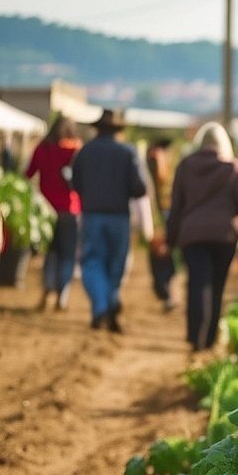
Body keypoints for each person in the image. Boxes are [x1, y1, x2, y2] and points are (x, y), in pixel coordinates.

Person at [166, 122, 238, 352]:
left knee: (197, 283)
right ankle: (209, 340)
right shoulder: (233, 168)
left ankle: (194, 337)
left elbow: (176, 206)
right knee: (217, 286)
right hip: (224, 237)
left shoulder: (185, 166)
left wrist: (170, 239)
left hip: (192, 235)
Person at [71, 107, 147, 332]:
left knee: (93, 262)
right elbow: (139, 187)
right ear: (116, 130)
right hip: (119, 217)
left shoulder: (85, 152)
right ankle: (111, 300)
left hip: (92, 215)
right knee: (116, 264)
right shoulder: (127, 152)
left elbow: (74, 184)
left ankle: (101, 306)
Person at [25, 115, 82, 310]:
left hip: (46, 211)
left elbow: (28, 174)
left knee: (50, 253)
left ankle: (47, 290)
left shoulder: (43, 148)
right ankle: (61, 297)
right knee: (68, 255)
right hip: (69, 210)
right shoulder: (74, 149)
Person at [145, 138, 179, 311]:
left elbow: (163, 176)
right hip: (158, 215)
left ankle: (167, 292)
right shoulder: (149, 167)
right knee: (160, 255)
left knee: (165, 256)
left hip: (166, 214)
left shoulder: (171, 164)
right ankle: (164, 290)